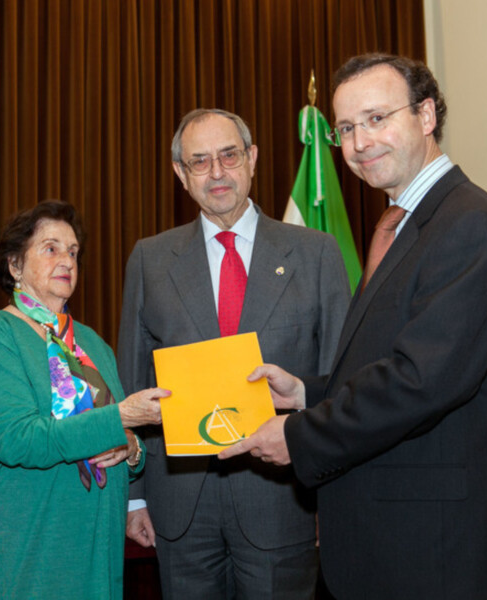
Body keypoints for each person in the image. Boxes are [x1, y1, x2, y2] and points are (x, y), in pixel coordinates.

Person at [219, 53, 487, 599]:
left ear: (425, 116)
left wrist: (300, 437)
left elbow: (420, 381)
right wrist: (306, 392)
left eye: (377, 119)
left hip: (431, 552)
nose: (358, 142)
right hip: (388, 545)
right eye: (345, 128)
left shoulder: (471, 226)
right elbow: (388, 359)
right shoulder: (404, 225)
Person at [118, 108, 351, 599]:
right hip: (179, 504)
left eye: (228, 155)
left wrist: (331, 497)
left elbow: (339, 379)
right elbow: (131, 380)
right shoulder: (150, 259)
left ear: (252, 159)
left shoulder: (316, 252)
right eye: (199, 162)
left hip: (283, 499)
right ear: (181, 176)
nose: (217, 172)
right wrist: (133, 496)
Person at [0, 200, 170, 600]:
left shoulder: (92, 343)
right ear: (15, 266)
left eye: (73, 252)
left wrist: (130, 448)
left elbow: (130, 444)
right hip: (37, 539)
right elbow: (19, 439)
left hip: (99, 541)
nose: (67, 261)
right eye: (51, 248)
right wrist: (118, 419)